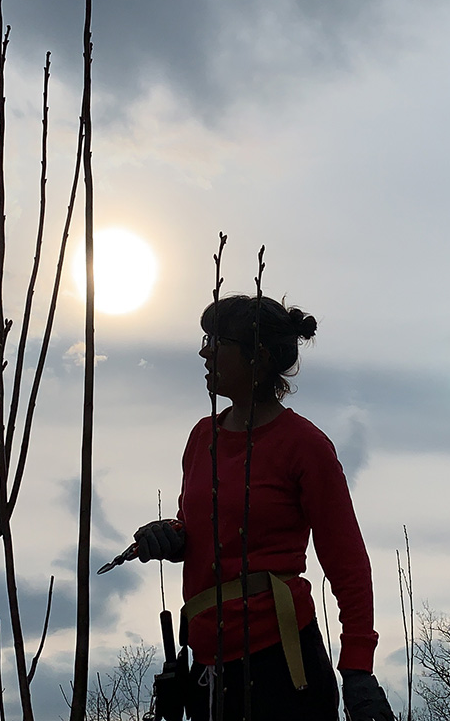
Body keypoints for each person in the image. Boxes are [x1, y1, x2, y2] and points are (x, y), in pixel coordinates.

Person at [131, 294, 395, 721]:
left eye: (217, 341)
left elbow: (347, 562)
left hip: (283, 670)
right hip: (205, 669)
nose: (203, 352)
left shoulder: (305, 445)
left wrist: (358, 669)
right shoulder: (202, 437)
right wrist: (170, 537)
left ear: (259, 356)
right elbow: (199, 529)